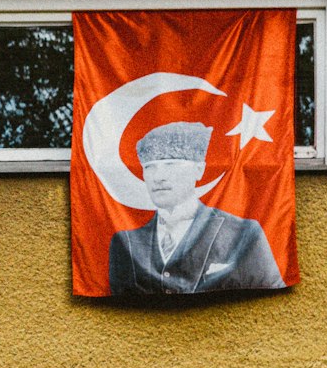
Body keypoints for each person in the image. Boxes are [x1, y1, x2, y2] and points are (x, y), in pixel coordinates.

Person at [108, 122, 284, 296]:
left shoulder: (242, 233)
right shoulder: (126, 243)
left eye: (171, 164)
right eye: (149, 167)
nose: (158, 177)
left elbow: (268, 294)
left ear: (199, 170)